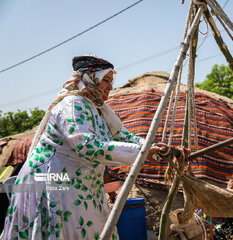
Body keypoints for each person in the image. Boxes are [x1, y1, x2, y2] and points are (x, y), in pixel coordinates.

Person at [1, 55, 167, 240]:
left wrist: (153, 148)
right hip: (54, 180)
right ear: (89, 78)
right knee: (66, 231)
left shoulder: (98, 108)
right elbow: (87, 145)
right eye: (106, 80)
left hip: (80, 184)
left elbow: (122, 135)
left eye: (111, 81)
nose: (111, 87)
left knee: (90, 229)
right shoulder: (71, 105)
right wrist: (140, 153)